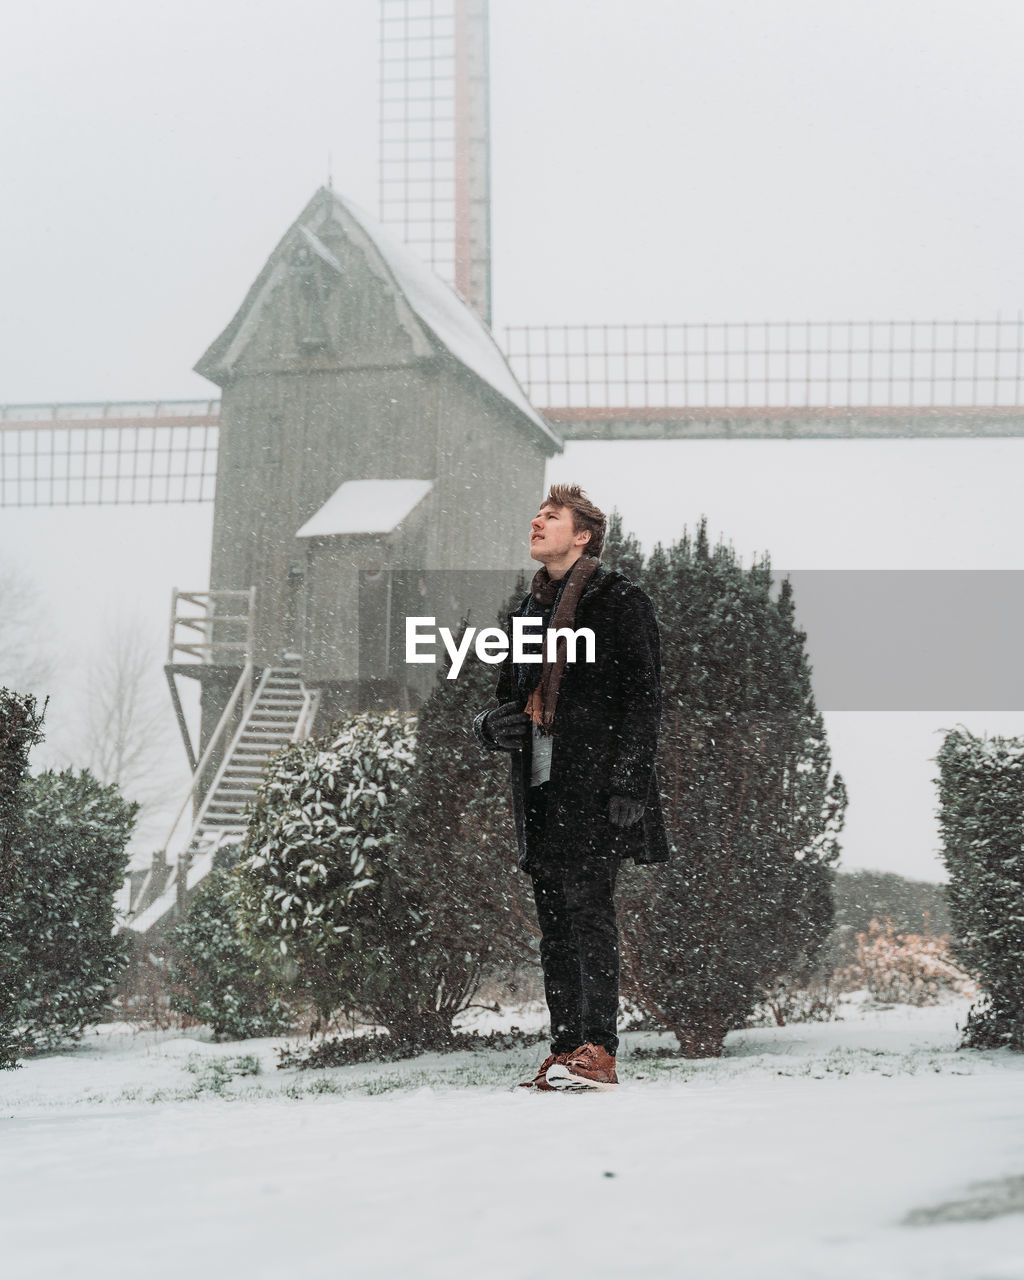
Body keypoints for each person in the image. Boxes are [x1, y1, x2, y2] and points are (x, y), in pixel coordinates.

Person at [473, 483, 668, 1091]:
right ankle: (564, 1052)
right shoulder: (528, 612)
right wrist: (489, 726)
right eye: (535, 513)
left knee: (589, 915)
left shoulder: (619, 601)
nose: (536, 521)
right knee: (554, 924)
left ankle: (599, 1053)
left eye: (550, 516)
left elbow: (643, 698)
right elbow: (508, 696)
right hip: (539, 790)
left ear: (582, 536)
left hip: (596, 788)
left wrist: (629, 781)